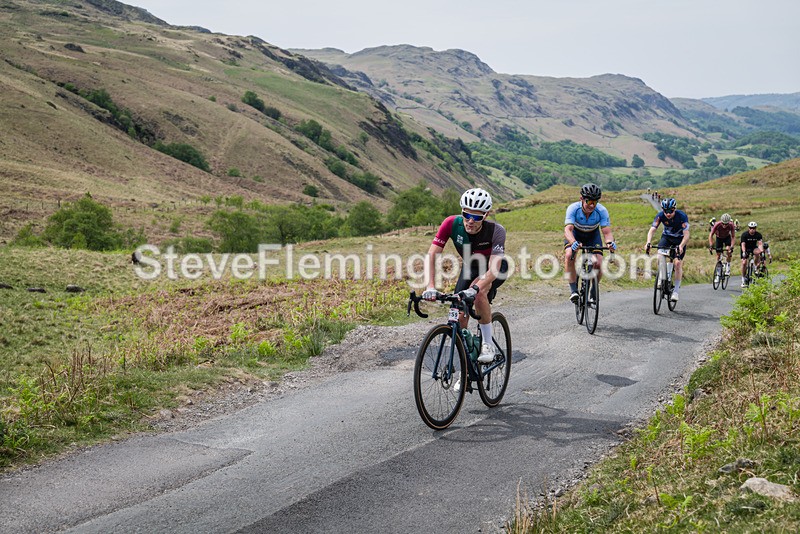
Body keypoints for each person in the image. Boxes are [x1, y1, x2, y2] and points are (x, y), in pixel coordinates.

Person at [422, 188, 507, 364]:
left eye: (476, 217)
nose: (470, 221)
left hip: (494, 269)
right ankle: (468, 366)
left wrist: (475, 288)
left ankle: (487, 344)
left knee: (479, 294)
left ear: (486, 215)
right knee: (459, 315)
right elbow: (432, 255)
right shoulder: (451, 224)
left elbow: (493, 269)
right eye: (466, 215)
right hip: (470, 268)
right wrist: (430, 286)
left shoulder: (496, 231)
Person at [564, 183, 616, 304]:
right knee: (569, 255)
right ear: (581, 199)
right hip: (576, 234)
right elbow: (568, 230)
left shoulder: (602, 211)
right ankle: (573, 290)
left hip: (593, 235)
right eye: (588, 201)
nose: (592, 205)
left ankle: (594, 289)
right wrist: (573, 242)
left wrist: (610, 242)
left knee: (598, 262)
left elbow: (607, 232)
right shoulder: (573, 208)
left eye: (595, 202)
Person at [645, 198, 690, 302]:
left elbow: (687, 234)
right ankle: (662, 276)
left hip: (680, 240)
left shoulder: (682, 216)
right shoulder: (660, 216)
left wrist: (681, 246)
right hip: (667, 238)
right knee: (660, 254)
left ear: (675, 209)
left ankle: (676, 291)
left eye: (670, 211)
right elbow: (652, 230)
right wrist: (648, 242)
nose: (668, 214)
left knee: (678, 263)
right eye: (665, 211)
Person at [740, 221, 764, 287]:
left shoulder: (758, 235)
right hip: (745, 248)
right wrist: (744, 252)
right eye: (751, 228)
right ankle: (743, 279)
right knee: (744, 263)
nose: (752, 230)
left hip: (753, 248)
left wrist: (761, 251)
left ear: (755, 228)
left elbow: (760, 244)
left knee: (757, 253)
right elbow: (743, 244)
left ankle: (756, 267)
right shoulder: (744, 235)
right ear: (749, 228)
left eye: (753, 228)